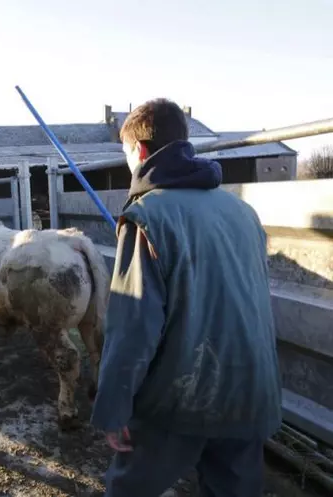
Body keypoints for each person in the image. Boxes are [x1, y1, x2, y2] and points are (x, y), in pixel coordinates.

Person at [90, 99, 282, 497]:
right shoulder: (243, 212)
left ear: (139, 152)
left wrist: (114, 406)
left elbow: (132, 327)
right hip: (250, 389)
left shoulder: (147, 217)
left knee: (130, 489)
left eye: (126, 154)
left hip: (181, 397)